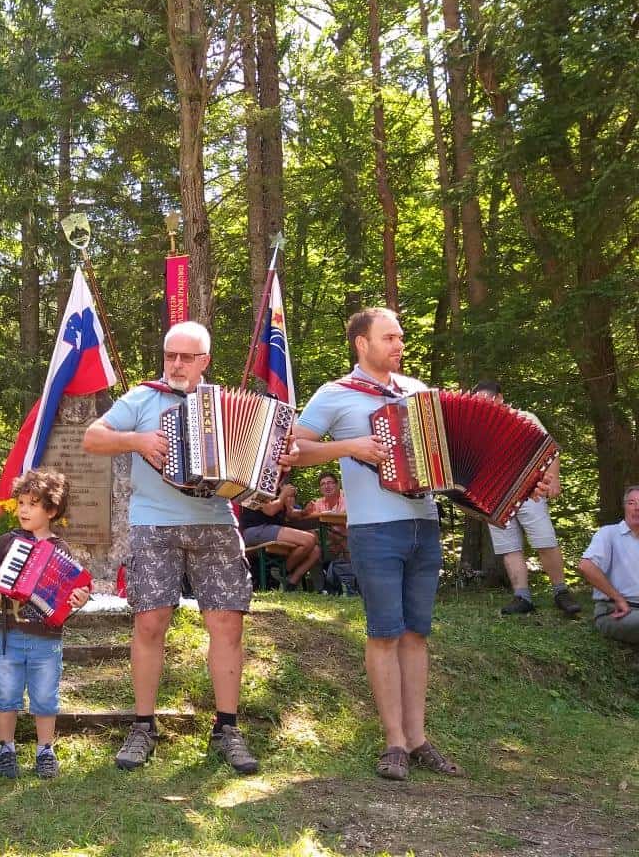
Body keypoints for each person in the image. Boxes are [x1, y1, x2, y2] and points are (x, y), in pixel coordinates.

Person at [82, 320, 261, 775]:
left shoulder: (222, 404)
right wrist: (137, 440)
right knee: (149, 622)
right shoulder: (142, 398)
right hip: (153, 525)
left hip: (216, 523)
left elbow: (260, 455)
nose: (177, 364)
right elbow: (92, 437)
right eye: (170, 356)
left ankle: (227, 727)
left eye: (187, 357)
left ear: (205, 361)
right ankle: (143, 726)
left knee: (227, 625)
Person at [291, 307, 463, 782]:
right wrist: (350, 447)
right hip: (373, 528)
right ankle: (393, 742)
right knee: (384, 632)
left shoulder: (420, 393)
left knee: (416, 634)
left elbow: (452, 454)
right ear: (361, 344)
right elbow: (294, 448)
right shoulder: (336, 394)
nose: (399, 345)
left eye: (401, 338)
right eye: (389, 338)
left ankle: (418, 737)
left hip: (424, 524)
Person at [0, 469, 91, 779]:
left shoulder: (61, 549)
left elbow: (72, 594)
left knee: (44, 697)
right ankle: (6, 748)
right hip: (7, 634)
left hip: (46, 638)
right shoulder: (8, 541)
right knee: (5, 694)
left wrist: (78, 598)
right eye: (21, 502)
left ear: (51, 510)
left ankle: (45, 749)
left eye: (32, 504)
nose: (24, 510)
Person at [471, 381, 579, 617]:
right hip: (494, 495)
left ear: (499, 398)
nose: (482, 406)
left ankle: (561, 592)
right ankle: (522, 597)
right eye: (477, 402)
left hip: (530, 489)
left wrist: (554, 479)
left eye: (486, 401)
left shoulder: (524, 417)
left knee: (545, 540)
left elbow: (550, 449)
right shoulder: (474, 427)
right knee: (509, 547)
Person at [577, 485, 639, 646]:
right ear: (624, 506)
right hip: (615, 612)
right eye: (632, 503)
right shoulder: (609, 534)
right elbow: (586, 566)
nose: (637, 508)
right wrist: (618, 598)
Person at [239, 481, 322, 590]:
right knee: (309, 539)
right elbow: (270, 510)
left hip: (273, 531)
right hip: (254, 531)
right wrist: (283, 494)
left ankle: (290, 583)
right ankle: (281, 572)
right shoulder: (256, 486)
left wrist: (304, 512)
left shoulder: (278, 490)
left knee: (316, 551)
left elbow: (290, 513)